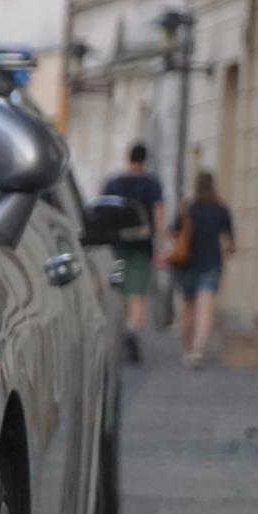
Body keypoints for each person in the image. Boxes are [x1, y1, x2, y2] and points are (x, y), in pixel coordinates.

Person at [100, 144, 165, 363]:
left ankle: (117, 330)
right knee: (138, 293)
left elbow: (103, 212)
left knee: (117, 290)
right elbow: (159, 215)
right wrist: (161, 247)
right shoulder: (152, 185)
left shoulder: (113, 183)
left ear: (128, 158)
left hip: (115, 245)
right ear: (145, 160)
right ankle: (133, 331)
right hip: (141, 246)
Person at [172, 170, 235, 368]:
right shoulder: (221, 210)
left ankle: (187, 349)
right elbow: (231, 242)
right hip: (212, 263)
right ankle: (199, 351)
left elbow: (174, 233)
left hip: (188, 264)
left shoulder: (187, 209)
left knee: (188, 308)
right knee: (206, 309)